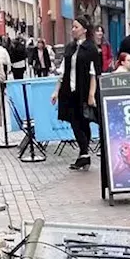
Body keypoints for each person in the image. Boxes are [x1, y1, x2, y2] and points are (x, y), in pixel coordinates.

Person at [52, 15, 100, 170]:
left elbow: (94, 73)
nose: (73, 30)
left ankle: (84, 154)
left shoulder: (91, 49)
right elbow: (63, 71)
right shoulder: (70, 47)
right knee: (74, 121)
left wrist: (91, 94)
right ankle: (84, 153)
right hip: (69, 90)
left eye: (76, 27)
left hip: (83, 90)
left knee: (84, 120)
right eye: (72, 27)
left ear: (85, 30)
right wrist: (56, 91)